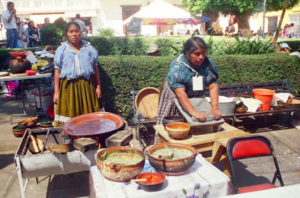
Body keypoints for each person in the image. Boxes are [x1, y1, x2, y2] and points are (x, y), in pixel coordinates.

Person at [157, 37, 221, 123]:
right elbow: (180, 92)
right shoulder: (178, 66)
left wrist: (215, 108)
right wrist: (193, 112)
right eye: (197, 54)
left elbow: (213, 86)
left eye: (203, 53)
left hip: (196, 98)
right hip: (175, 97)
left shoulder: (208, 64)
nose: (201, 57)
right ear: (187, 54)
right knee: (176, 125)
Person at [53, 21, 101, 124]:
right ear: (67, 34)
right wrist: (56, 92)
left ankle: (89, 137)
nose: (74, 34)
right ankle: (72, 138)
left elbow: (95, 69)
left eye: (76, 31)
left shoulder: (89, 50)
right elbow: (57, 71)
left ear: (81, 32)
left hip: (86, 86)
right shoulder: (62, 50)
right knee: (70, 117)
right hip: (68, 87)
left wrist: (98, 87)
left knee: (88, 118)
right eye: (71, 32)